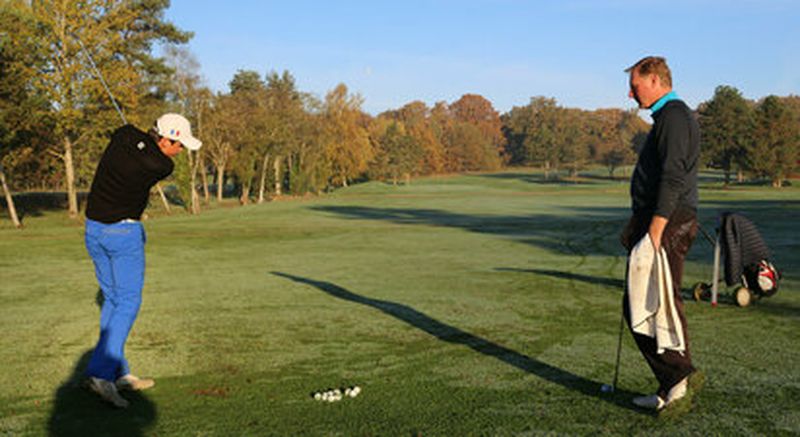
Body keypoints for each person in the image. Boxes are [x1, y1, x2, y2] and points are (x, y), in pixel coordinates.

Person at [84, 113, 202, 408]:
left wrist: (142, 140)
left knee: (112, 300)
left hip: (94, 230)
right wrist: (148, 144)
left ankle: (117, 372)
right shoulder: (162, 165)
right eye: (179, 145)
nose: (180, 151)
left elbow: (125, 131)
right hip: (122, 235)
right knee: (128, 302)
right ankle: (101, 374)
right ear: (165, 140)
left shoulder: (124, 137)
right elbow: (151, 157)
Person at [620, 56, 704, 416]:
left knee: (653, 304)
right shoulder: (668, 117)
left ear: (655, 80)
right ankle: (671, 384)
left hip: (667, 223)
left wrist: (655, 229)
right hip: (659, 221)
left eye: (635, 86)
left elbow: (673, 177)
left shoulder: (674, 117)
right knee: (648, 303)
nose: (630, 94)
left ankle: (679, 378)